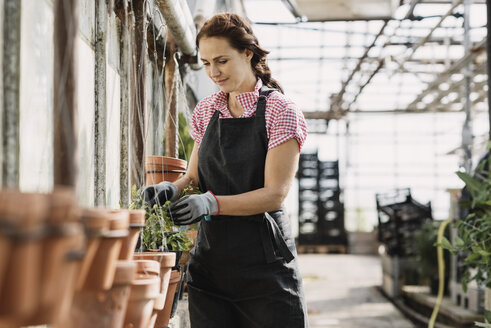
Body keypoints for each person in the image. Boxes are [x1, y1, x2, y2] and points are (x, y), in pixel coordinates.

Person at [143, 13, 309, 328]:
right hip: (211, 268)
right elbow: (193, 177)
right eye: (206, 63)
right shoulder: (207, 110)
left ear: (247, 53)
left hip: (265, 270)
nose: (214, 72)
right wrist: (171, 189)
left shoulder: (280, 110)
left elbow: (275, 194)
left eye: (221, 61)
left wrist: (211, 203)